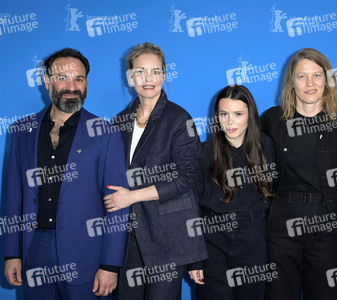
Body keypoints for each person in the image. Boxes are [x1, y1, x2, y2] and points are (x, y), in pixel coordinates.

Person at [3, 48, 130, 299]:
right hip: (34, 252)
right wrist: (11, 253)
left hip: (88, 256)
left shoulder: (105, 134)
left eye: (79, 79)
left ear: (86, 82)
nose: (72, 86)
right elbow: (13, 198)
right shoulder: (22, 131)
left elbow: (118, 206)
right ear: (47, 81)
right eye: (63, 78)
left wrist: (110, 265)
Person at [103, 42, 207, 300]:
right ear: (130, 77)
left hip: (167, 237)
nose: (148, 79)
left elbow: (185, 179)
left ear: (164, 75)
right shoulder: (118, 122)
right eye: (140, 71)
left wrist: (132, 196)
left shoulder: (180, 119)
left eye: (155, 71)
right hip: (128, 239)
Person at [261, 48, 337, 300]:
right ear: (291, 82)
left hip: (329, 224)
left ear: (327, 80)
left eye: (317, 75)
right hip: (282, 222)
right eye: (302, 76)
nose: (310, 83)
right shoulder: (272, 120)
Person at [188, 85, 276, 299]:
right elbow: (192, 209)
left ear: (250, 116)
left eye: (238, 114)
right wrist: (195, 259)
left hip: (253, 239)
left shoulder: (266, 146)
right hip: (212, 243)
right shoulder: (203, 152)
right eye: (223, 114)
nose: (230, 121)